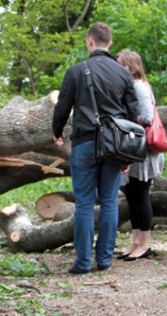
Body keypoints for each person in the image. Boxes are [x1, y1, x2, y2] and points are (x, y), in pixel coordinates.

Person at [52, 22, 139, 274]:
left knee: (84, 203)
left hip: (85, 143)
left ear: (90, 41)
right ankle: (104, 259)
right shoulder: (123, 73)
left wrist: (57, 132)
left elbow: (62, 108)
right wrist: (127, 149)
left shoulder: (77, 71)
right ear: (109, 43)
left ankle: (82, 262)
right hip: (114, 146)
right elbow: (133, 114)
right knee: (110, 201)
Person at [115, 49, 165, 261]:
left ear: (131, 67)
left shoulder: (138, 86)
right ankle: (136, 241)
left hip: (142, 148)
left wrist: (123, 122)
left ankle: (144, 244)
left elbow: (145, 116)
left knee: (140, 195)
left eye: (121, 65)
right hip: (133, 147)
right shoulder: (131, 86)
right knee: (132, 195)